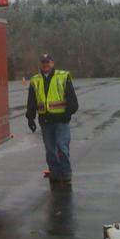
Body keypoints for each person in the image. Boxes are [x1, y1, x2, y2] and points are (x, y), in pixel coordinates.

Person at [25, 53, 79, 182]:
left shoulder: (63, 76)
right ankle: (55, 172)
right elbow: (31, 101)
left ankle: (66, 173)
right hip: (45, 120)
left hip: (61, 120)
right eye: (43, 62)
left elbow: (72, 99)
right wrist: (30, 118)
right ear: (40, 64)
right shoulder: (35, 80)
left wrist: (68, 114)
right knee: (50, 149)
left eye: (48, 62)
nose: (46, 64)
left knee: (62, 146)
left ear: (53, 63)